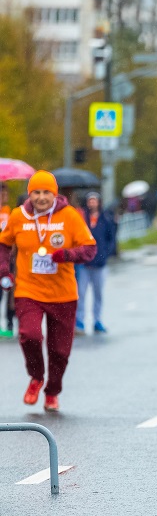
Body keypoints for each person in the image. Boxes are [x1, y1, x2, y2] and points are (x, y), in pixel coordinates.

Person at [0, 171, 96, 412]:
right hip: (28, 290)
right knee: (30, 335)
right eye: (36, 192)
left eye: (46, 193)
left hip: (63, 294)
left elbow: (90, 249)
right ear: (29, 193)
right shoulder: (18, 216)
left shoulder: (69, 217)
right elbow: (4, 243)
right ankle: (36, 376)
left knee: (60, 351)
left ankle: (52, 391)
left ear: (55, 194)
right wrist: (4, 271)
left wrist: (67, 255)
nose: (41, 198)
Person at [75, 192, 116, 335]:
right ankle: (79, 320)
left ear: (99, 202)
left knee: (98, 294)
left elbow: (111, 238)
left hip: (100, 264)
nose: (92, 203)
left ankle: (97, 320)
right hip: (84, 264)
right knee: (81, 293)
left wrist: (106, 253)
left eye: (95, 201)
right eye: (90, 201)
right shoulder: (82, 218)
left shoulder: (105, 219)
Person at [0, 183, 13, 337]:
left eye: (5, 194)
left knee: (9, 292)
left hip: (6, 258)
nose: (4, 197)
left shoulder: (9, 212)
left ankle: (9, 323)